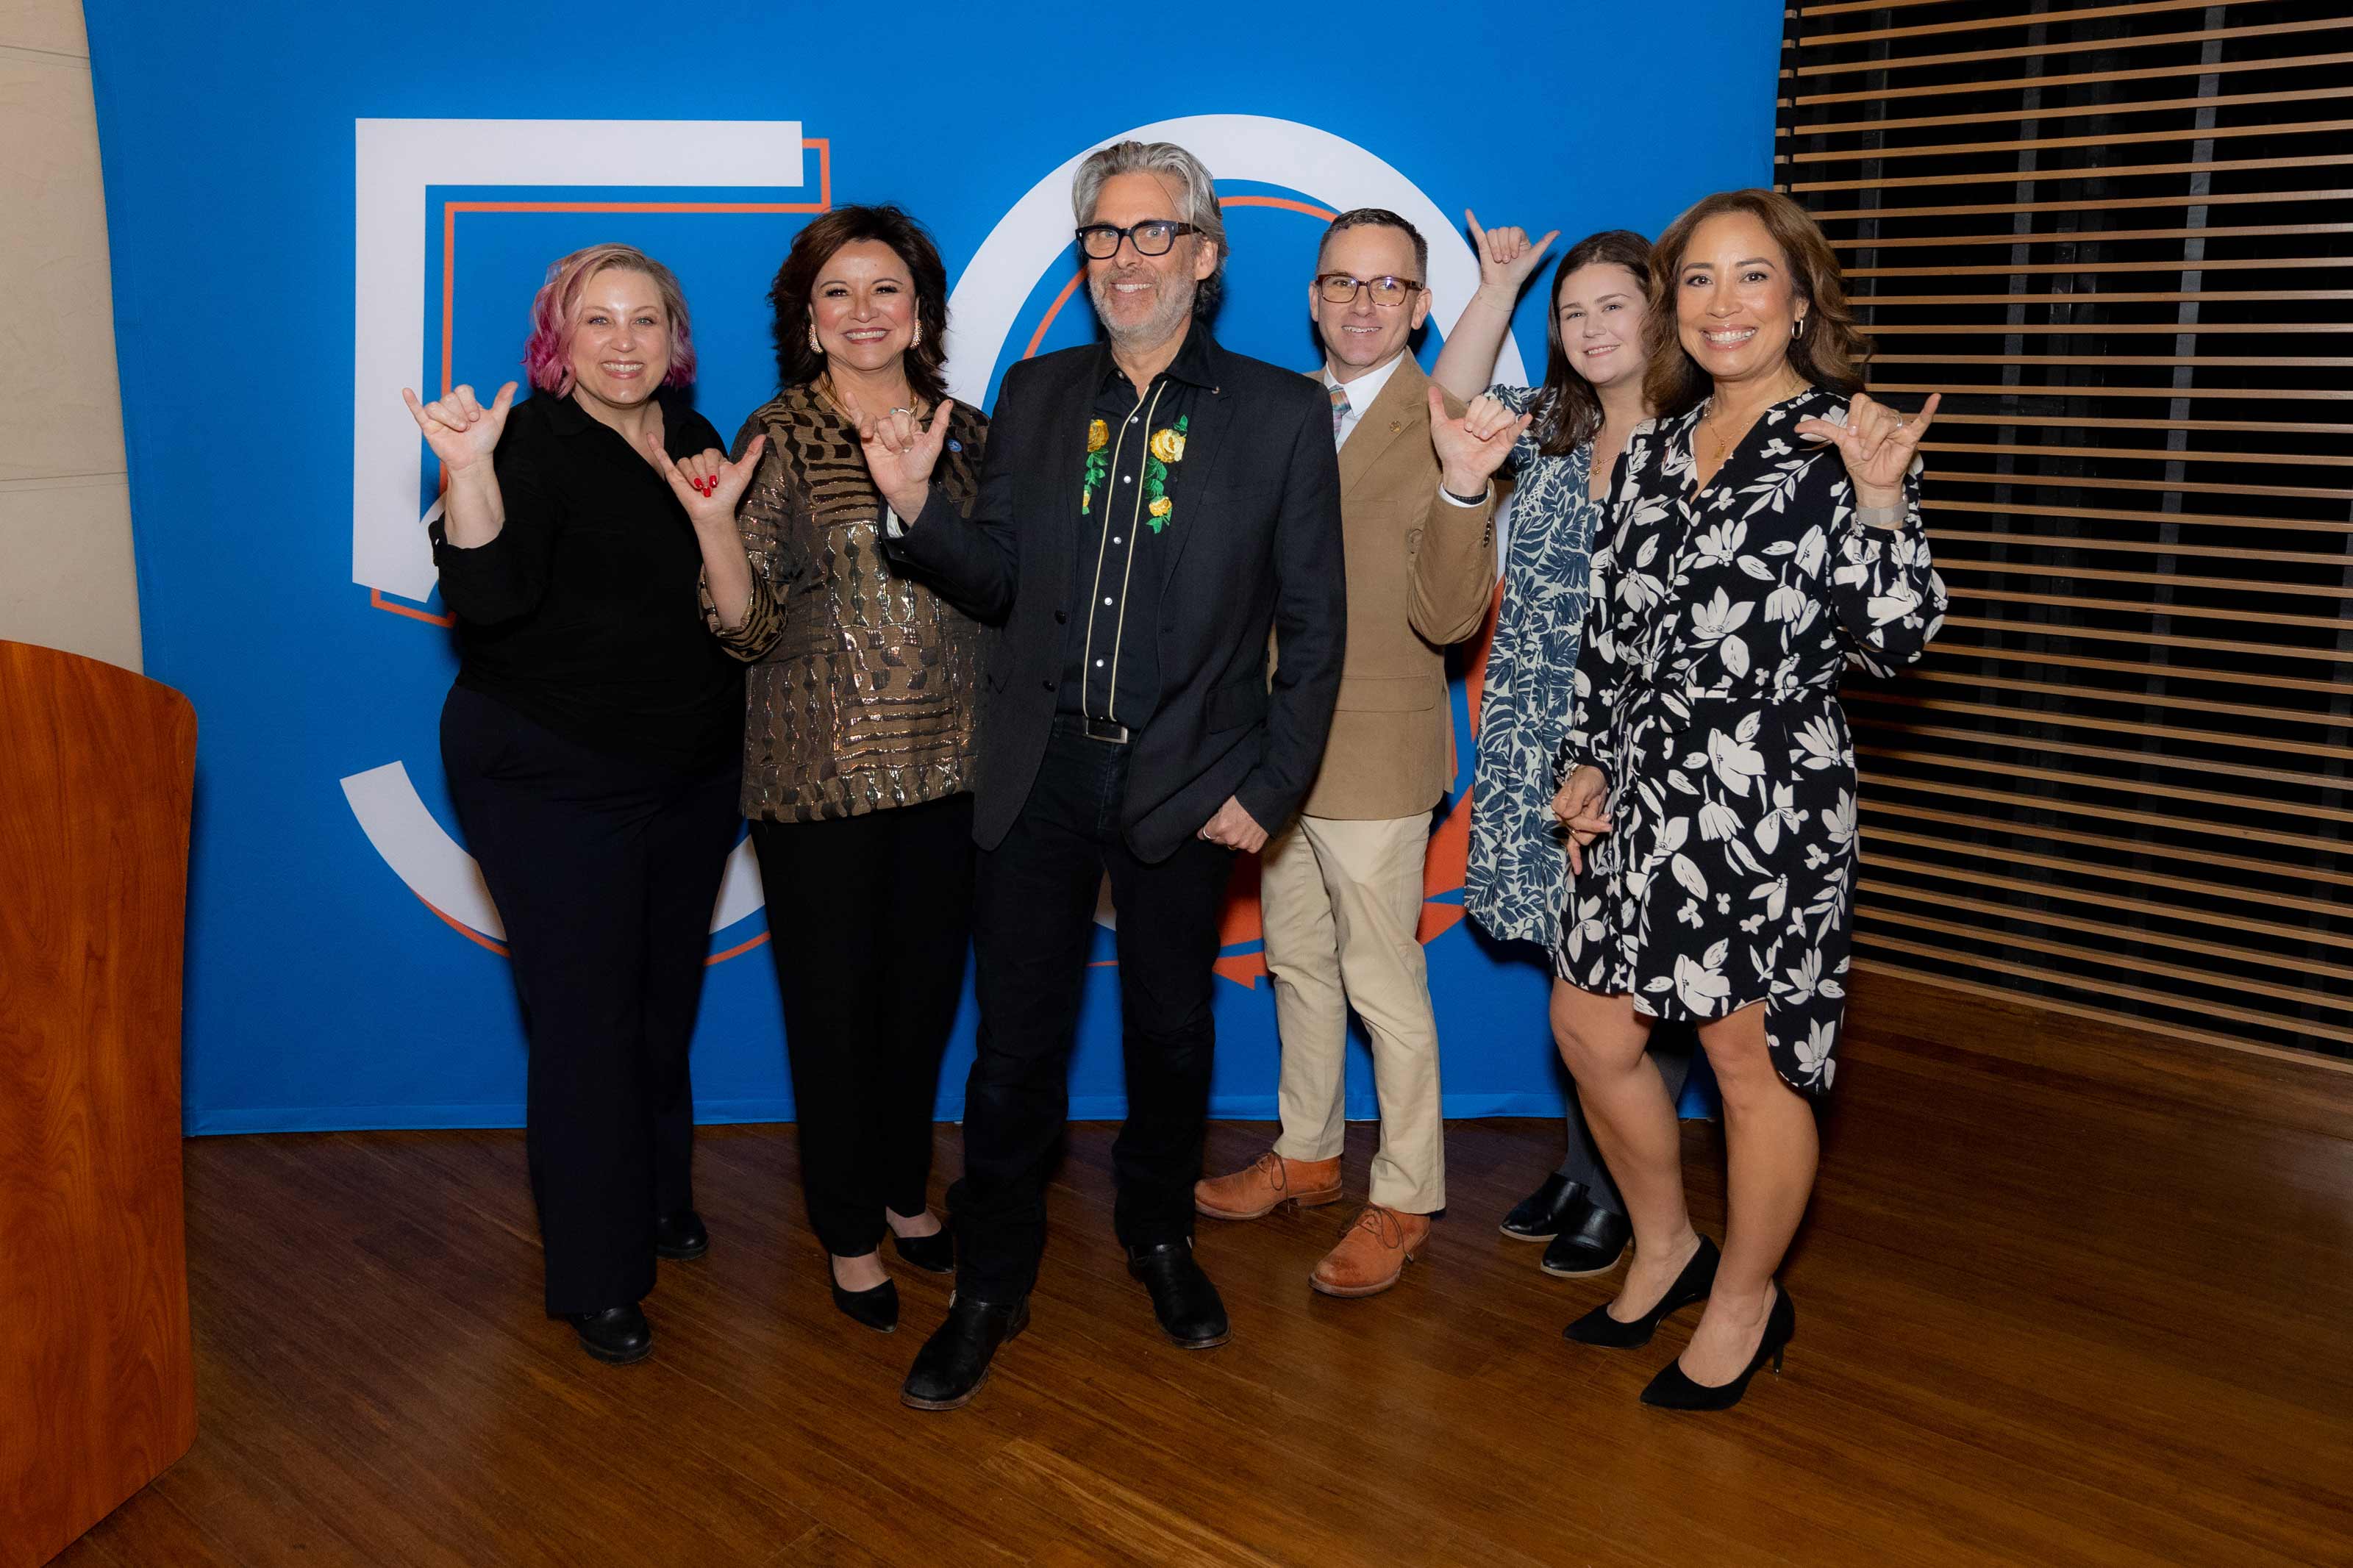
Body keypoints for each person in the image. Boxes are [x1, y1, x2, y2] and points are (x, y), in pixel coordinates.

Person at [860, 139, 1346, 1411]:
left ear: (1203, 255)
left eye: (1149, 235)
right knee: (1014, 1051)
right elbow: (1002, 574)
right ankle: (991, 1282)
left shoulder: (1286, 415)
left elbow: (1319, 622)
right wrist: (919, 513)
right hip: (1038, 771)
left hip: (1194, 779)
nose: (1123, 260)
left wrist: (1274, 783)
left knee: (1171, 1035)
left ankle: (1159, 1236)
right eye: (1103, 238)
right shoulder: (1033, 394)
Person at [1549, 189, 1946, 1410]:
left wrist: (1882, 501)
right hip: (1645, 782)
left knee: (1748, 1060)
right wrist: (1587, 756)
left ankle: (1745, 1297)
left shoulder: (1845, 437)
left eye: (1753, 277)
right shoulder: (1660, 445)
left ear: (1799, 298)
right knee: (1592, 1026)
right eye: (1701, 281)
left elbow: (1900, 639)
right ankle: (1668, 1241)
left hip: (1769, 796)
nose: (1725, 305)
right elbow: (1613, 630)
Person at [404, 243, 768, 1365]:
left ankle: (656, 1194)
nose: (623, 342)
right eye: (597, 321)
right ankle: (597, 1273)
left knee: (660, 1002)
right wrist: (467, 470)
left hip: (690, 773)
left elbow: (728, 613)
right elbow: (491, 596)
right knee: (585, 1019)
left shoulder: (700, 440)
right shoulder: (526, 444)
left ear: (677, 338)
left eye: (645, 320)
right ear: (557, 343)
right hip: (550, 774)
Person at [1193, 209, 1509, 1298]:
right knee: (1297, 968)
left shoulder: (1447, 424)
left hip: (1374, 749)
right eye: (1341, 283)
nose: (1361, 304)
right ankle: (1311, 1153)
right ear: (1313, 297)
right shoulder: (1275, 409)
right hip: (1273, 751)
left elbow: (1449, 615)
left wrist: (1466, 486)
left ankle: (1409, 1194)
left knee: (1385, 988)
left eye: (1387, 286)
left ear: (1421, 307)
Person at [697, 207, 987, 1334]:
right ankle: (847, 1227)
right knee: (832, 1013)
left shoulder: (973, 432)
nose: (864, 312)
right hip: (817, 781)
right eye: (838, 293)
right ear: (806, 319)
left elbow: (1002, 587)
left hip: (955, 769)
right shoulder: (773, 433)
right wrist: (717, 532)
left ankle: (905, 1189)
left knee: (920, 1007)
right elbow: (746, 628)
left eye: (886, 291)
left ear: (921, 312)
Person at [1432, 221, 1696, 1280]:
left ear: (1660, 312)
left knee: (1643, 968)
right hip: (1536, 727)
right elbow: (1442, 406)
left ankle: (1617, 1193)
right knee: (1574, 961)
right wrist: (1500, 287)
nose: (1589, 328)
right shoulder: (1544, 425)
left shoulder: (1704, 440)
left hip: (1651, 743)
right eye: (1571, 312)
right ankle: (1591, 1161)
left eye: (1612, 306)